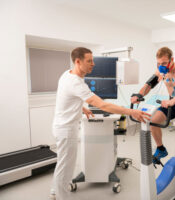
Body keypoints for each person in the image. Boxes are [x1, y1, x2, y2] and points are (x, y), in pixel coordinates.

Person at [50, 47, 150, 200]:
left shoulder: (67, 74)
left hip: (61, 126)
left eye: (93, 61)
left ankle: (54, 191)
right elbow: (102, 105)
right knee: (66, 169)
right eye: (89, 61)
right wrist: (131, 112)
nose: (93, 64)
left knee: (62, 164)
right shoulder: (76, 83)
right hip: (66, 130)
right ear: (78, 62)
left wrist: (82, 108)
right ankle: (60, 196)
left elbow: (67, 97)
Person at [131, 47, 175, 192]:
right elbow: (148, 85)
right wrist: (139, 94)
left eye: (165, 62)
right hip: (171, 104)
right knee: (153, 122)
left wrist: (173, 101)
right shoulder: (161, 71)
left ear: (171, 60)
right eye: (159, 63)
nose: (162, 65)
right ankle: (161, 149)